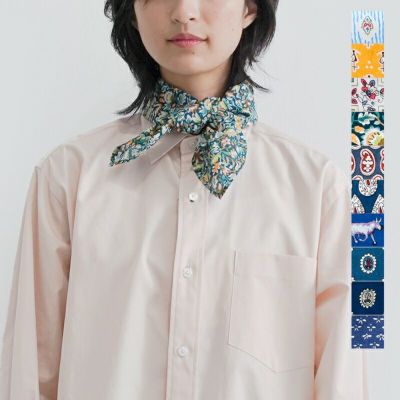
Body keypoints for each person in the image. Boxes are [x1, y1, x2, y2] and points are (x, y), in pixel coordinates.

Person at [0, 0, 369, 399]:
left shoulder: (320, 190)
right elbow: (29, 372)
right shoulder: (67, 177)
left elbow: (347, 375)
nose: (184, 11)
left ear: (250, 8)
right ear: (132, 11)